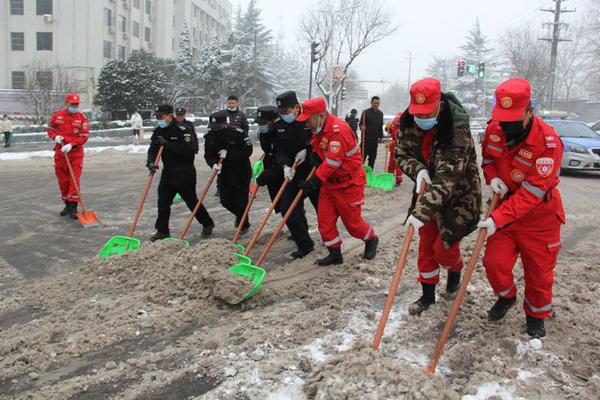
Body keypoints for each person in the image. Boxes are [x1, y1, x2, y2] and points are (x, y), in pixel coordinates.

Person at [478, 78, 565, 338]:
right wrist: (492, 176)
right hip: (505, 209)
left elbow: (532, 194)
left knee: (538, 272)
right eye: (503, 119)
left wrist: (497, 218)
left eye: (513, 120)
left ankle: (535, 315)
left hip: (539, 217)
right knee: (494, 263)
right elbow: (489, 158)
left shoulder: (548, 142)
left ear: (529, 111)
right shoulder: (495, 129)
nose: (506, 126)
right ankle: (507, 296)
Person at [394, 78, 482, 315]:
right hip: (427, 191)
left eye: (427, 114)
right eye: (418, 114)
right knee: (425, 246)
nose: (422, 119)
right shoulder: (409, 121)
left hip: (457, 198)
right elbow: (401, 153)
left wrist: (420, 212)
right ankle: (427, 295)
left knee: (442, 248)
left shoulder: (457, 129)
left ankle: (455, 270)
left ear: (439, 104)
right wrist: (418, 169)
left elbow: (447, 180)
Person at [298, 97, 379, 266]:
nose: (306, 124)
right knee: (325, 221)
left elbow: (333, 162)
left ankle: (371, 239)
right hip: (330, 183)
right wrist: (314, 155)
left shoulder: (338, 130)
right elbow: (321, 148)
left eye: (308, 120)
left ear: (320, 116)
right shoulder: (319, 129)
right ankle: (335, 254)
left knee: (353, 224)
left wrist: (314, 180)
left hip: (349, 183)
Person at [147, 104, 215, 241]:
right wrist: (150, 162)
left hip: (185, 172)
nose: (159, 119)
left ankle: (207, 223)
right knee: (163, 202)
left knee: (191, 201)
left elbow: (190, 151)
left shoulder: (183, 130)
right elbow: (153, 149)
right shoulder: (159, 131)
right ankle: (162, 231)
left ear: (169, 116)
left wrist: (167, 144)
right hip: (168, 172)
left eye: (161, 117)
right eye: (157, 117)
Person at [273, 91, 319, 259]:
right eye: (282, 112)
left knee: (323, 209)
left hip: (314, 172)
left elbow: (321, 141)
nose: (285, 115)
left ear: (296, 108)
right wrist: (285, 166)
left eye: (287, 111)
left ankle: (333, 243)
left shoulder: (309, 120)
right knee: (288, 208)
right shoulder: (279, 126)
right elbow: (280, 150)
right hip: (294, 173)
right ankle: (305, 244)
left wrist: (307, 151)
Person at [204, 110, 253, 233]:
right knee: (225, 200)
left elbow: (248, 151)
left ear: (225, 124)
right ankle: (241, 216)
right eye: (213, 127)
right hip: (224, 172)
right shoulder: (210, 136)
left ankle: (244, 224)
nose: (215, 129)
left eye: (218, 127)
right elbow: (208, 154)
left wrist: (229, 155)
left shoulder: (238, 133)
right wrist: (213, 164)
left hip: (241, 171)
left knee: (241, 201)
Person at [46, 93, 90, 219]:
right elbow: (50, 129)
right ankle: (67, 204)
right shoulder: (58, 115)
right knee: (63, 181)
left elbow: (84, 136)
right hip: (61, 154)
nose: (74, 106)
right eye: (72, 104)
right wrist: (55, 136)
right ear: (67, 103)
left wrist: (72, 144)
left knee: (74, 180)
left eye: (76, 104)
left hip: (75, 154)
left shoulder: (82, 118)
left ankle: (73, 208)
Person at [255, 106, 284, 208]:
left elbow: (282, 157)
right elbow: (268, 151)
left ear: (273, 121)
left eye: (263, 123)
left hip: (283, 172)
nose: (260, 126)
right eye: (259, 123)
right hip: (271, 167)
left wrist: (267, 174)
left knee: (287, 204)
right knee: (280, 205)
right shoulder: (265, 132)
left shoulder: (281, 133)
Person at [360, 96, 384, 169]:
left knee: (372, 159)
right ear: (371, 103)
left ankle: (370, 174)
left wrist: (381, 136)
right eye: (375, 103)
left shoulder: (380, 114)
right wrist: (361, 127)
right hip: (366, 140)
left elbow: (380, 126)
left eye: (378, 103)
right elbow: (361, 124)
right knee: (362, 158)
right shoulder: (365, 112)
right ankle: (358, 173)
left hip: (374, 140)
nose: (376, 105)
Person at [384, 112, 404, 186]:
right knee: (391, 164)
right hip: (393, 148)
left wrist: (390, 143)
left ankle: (398, 181)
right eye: (396, 122)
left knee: (397, 165)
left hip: (400, 147)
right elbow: (388, 130)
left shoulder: (404, 126)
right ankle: (389, 179)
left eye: (398, 122)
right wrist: (387, 127)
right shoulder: (394, 122)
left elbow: (400, 139)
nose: (397, 123)